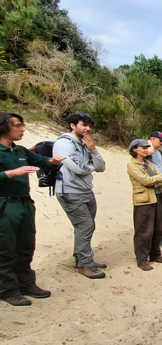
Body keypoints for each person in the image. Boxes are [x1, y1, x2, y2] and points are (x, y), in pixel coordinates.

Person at [0, 112, 64, 306]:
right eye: (18, 125)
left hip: (25, 204)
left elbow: (42, 162)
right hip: (5, 205)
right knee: (5, 249)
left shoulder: (21, 151)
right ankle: (8, 290)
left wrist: (52, 162)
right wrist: (11, 173)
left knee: (26, 246)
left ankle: (26, 283)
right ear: (4, 127)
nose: (23, 129)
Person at [53, 112, 107, 279]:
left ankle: (83, 258)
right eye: (84, 125)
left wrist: (93, 150)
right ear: (73, 125)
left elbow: (101, 167)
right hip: (70, 191)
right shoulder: (64, 143)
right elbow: (80, 169)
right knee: (85, 226)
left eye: (90, 126)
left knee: (87, 226)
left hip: (86, 191)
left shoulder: (85, 144)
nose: (88, 129)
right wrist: (90, 166)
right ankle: (85, 264)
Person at [126, 139, 162, 271]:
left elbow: (161, 178)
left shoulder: (148, 163)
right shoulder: (132, 165)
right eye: (143, 148)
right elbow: (145, 181)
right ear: (134, 149)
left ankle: (155, 254)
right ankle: (142, 259)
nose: (146, 150)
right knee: (144, 231)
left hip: (157, 198)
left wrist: (155, 180)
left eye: (147, 147)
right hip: (144, 201)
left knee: (158, 229)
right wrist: (156, 180)